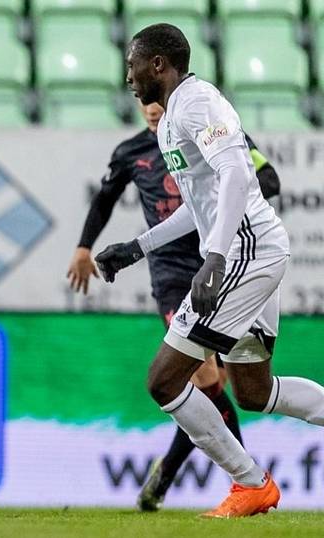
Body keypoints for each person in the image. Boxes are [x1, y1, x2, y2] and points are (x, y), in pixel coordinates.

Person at [95, 23, 324, 518]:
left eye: (133, 62)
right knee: (255, 392)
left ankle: (250, 484)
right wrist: (137, 246)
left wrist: (216, 259)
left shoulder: (198, 101)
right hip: (252, 251)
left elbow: (239, 173)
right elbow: (200, 206)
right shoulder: (174, 116)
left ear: (158, 64)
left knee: (163, 379)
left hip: (247, 253)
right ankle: (251, 484)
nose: (128, 74)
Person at [66, 101, 281, 511]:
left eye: (156, 100)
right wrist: (83, 247)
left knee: (218, 385)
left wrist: (224, 203)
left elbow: (266, 177)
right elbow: (105, 198)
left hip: (222, 264)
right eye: (142, 102)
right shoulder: (132, 152)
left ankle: (207, 476)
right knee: (202, 381)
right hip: (170, 275)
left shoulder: (211, 136)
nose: (149, 108)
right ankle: (238, 478)